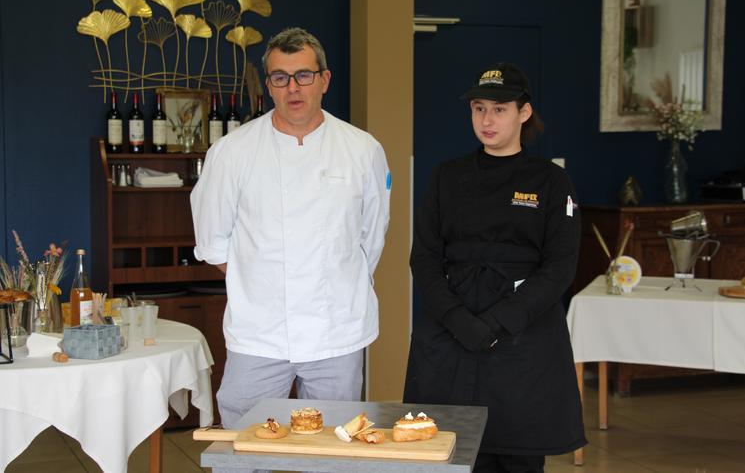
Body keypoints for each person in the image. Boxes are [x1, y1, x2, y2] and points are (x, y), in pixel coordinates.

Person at [191, 27, 391, 429]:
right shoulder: (232, 151)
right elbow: (213, 242)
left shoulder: (362, 150)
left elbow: (372, 236)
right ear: (269, 85)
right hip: (258, 334)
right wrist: (262, 281)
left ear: (324, 80)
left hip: (337, 332)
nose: (293, 88)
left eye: (304, 75)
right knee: (245, 448)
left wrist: (334, 281)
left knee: (336, 449)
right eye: (280, 77)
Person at [404, 62, 586, 472]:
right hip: (451, 333)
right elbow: (425, 257)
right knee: (452, 452)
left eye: (500, 109)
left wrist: (496, 323)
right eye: (479, 108)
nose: (487, 119)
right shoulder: (446, 177)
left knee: (518, 456)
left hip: (522, 338)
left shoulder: (551, 183)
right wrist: (457, 319)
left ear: (524, 112)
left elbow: (559, 268)